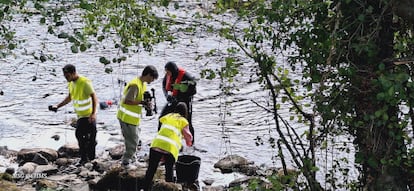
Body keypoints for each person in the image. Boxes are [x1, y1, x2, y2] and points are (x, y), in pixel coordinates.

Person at [49, 64, 98, 165]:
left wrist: (93, 114)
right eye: (64, 76)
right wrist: (57, 106)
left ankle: (90, 159)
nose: (66, 78)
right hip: (80, 115)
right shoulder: (71, 83)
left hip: (88, 115)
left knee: (89, 137)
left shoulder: (85, 82)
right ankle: (85, 158)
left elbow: (94, 97)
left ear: (73, 73)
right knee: (81, 136)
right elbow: (70, 97)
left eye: (67, 76)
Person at [142, 102, 193, 191]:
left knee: (151, 171)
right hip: (170, 148)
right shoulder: (183, 121)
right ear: (185, 112)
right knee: (169, 172)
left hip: (156, 145)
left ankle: (144, 189)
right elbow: (188, 136)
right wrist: (189, 143)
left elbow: (162, 127)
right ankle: (169, 189)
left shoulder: (168, 116)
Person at [117, 65, 159, 167]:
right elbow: (127, 100)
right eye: (152, 78)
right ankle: (126, 161)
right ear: (148, 75)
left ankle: (133, 159)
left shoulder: (142, 84)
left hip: (133, 118)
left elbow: (137, 99)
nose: (152, 81)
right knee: (132, 140)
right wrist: (142, 102)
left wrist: (146, 104)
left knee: (135, 139)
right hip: (126, 117)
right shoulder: (135, 85)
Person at [159, 61, 196, 144]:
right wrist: (167, 96)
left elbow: (193, 90)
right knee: (162, 117)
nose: (167, 74)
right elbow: (164, 86)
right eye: (166, 72)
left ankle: (191, 143)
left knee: (188, 122)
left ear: (173, 71)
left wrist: (182, 93)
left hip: (185, 101)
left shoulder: (186, 76)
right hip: (173, 99)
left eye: (168, 72)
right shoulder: (168, 75)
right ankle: (160, 137)